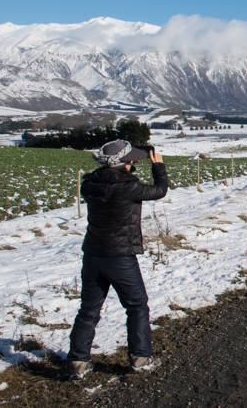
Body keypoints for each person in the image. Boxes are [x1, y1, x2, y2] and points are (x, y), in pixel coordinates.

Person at [67, 140, 168, 380]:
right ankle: (140, 357)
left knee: (89, 309)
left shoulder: (89, 184)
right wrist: (158, 167)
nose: (133, 162)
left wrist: (128, 163)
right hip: (120, 257)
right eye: (131, 159)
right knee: (136, 306)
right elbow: (159, 190)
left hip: (93, 255)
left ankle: (78, 360)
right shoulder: (128, 186)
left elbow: (112, 178)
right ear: (124, 162)